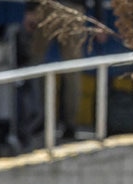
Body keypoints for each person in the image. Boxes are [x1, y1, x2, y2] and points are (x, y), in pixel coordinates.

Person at [20, 0, 104, 141]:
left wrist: (31, 10)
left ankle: (40, 117)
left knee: (36, 66)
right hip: (73, 10)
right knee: (72, 71)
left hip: (46, 7)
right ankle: (70, 124)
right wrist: (99, 20)